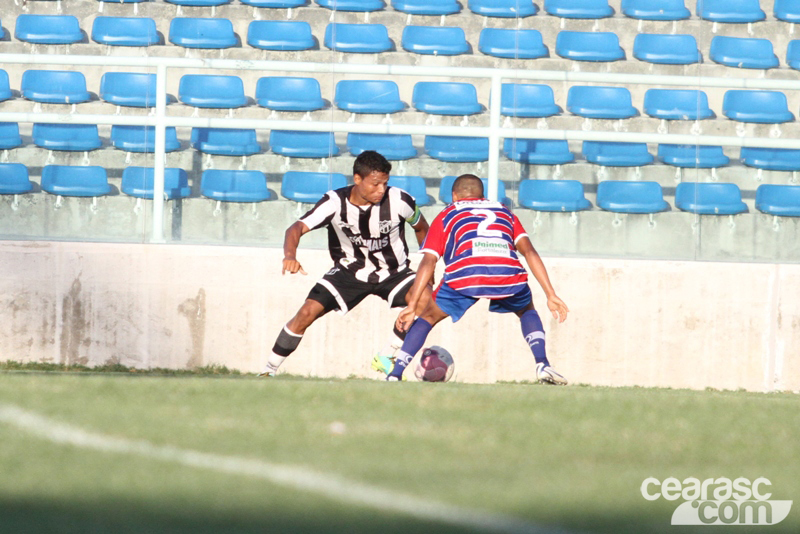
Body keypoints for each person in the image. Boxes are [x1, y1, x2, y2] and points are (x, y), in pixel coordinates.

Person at [386, 174, 569, 384]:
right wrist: (550, 294)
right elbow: (529, 252)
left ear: (454, 196)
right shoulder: (504, 211)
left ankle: (395, 374)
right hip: (506, 273)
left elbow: (429, 261)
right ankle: (543, 364)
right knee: (526, 310)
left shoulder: (447, 213)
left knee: (427, 317)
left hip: (466, 273)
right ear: (482, 196)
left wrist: (412, 305)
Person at [261, 150, 431, 376]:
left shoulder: (400, 200)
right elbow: (296, 228)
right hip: (348, 272)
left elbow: (422, 228)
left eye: (385, 183)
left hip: (394, 272)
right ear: (357, 179)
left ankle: (387, 355)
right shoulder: (334, 202)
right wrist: (290, 256)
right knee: (306, 312)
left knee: (427, 299)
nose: (381, 190)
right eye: (375, 184)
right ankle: (268, 371)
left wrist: (429, 270)